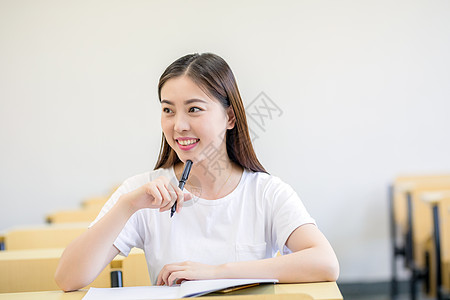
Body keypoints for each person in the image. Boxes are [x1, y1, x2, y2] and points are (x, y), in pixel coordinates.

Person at [54, 53, 339, 291]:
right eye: (168, 110)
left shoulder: (266, 192)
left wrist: (216, 272)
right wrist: (126, 206)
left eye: (194, 109)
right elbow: (68, 279)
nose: (178, 125)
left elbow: (325, 262)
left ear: (229, 117)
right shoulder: (143, 191)